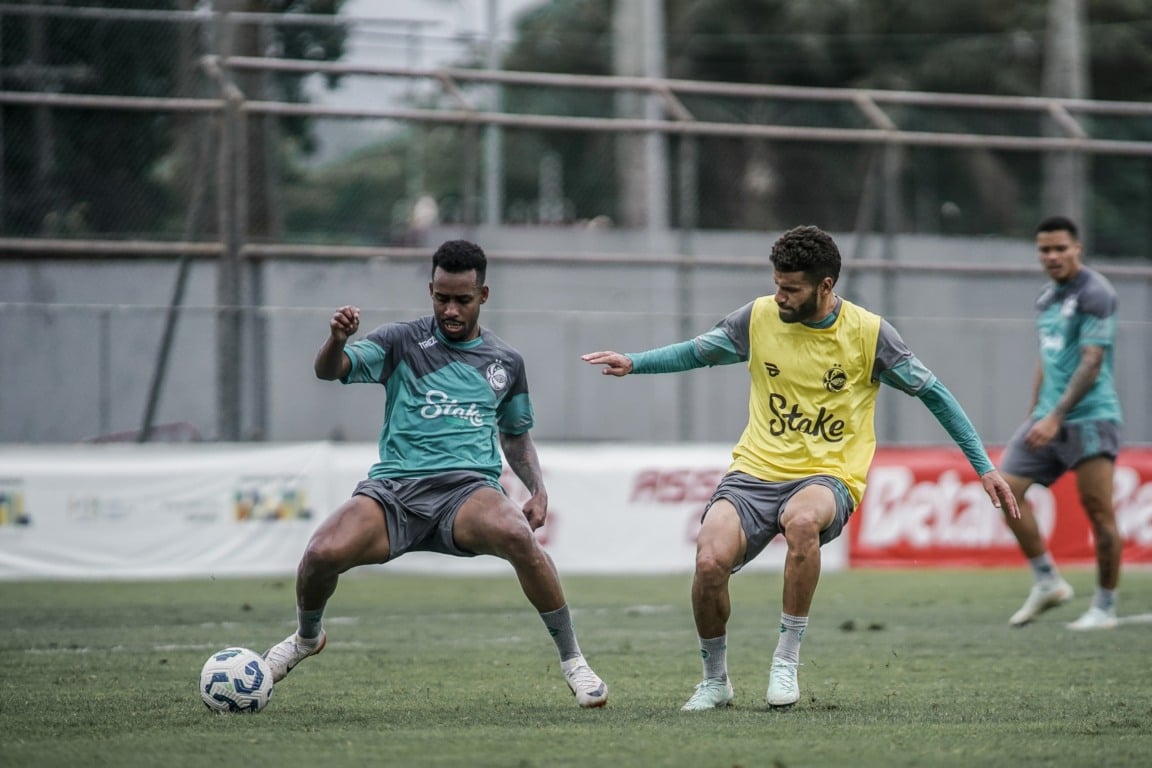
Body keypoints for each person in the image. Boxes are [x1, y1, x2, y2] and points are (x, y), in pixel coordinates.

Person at [582, 225, 1019, 712]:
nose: (779, 296)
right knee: (708, 563)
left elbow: (934, 394)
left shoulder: (870, 335)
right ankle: (715, 680)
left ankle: (785, 661)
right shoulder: (758, 318)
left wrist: (983, 466)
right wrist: (634, 362)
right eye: (776, 284)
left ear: (825, 286)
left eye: (791, 288)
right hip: (754, 472)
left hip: (828, 474)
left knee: (804, 520)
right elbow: (696, 351)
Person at [264, 239, 607, 708]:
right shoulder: (400, 341)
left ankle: (574, 662)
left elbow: (515, 434)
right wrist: (338, 339)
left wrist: (538, 489)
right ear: (430, 289)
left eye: (461, 300)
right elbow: (330, 370)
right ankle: (307, 638)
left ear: (482, 296)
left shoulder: (506, 363)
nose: (450, 309)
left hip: (465, 492)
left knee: (518, 536)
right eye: (441, 297)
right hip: (394, 492)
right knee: (321, 552)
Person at [999, 215, 1123, 631]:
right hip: (1047, 417)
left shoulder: (1096, 293)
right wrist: (1036, 410)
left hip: (1089, 417)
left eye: (1059, 249)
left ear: (1077, 249)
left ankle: (1104, 606)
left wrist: (1056, 415)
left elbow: (1092, 362)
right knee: (1006, 489)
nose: (1051, 256)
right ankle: (1047, 580)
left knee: (1099, 514)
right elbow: (1047, 357)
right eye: (1044, 250)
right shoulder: (1047, 297)